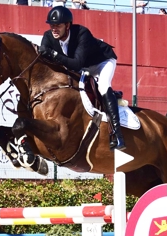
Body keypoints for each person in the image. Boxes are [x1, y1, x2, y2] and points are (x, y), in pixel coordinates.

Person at [39, 6, 125, 150]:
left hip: (101, 62)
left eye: (58, 25)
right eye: (52, 25)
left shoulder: (81, 33)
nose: (54, 29)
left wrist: (53, 55)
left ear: (67, 25)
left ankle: (117, 134)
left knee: (103, 86)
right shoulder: (48, 37)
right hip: (83, 67)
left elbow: (76, 63)